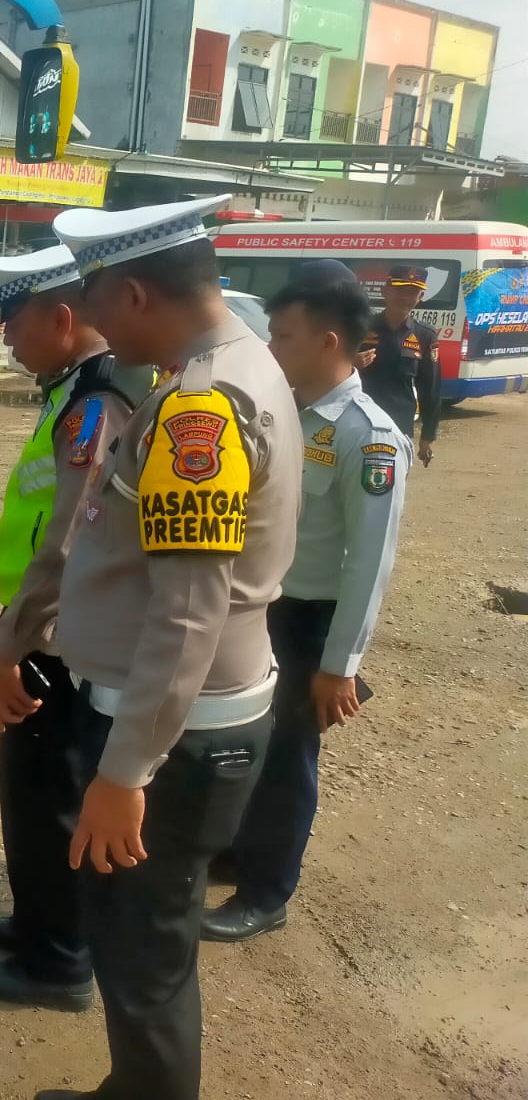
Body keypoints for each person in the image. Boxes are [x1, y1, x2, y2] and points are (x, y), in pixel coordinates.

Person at [32, 194, 303, 1100]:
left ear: (138, 295)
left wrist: (125, 772)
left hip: (177, 737)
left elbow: (190, 611)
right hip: (186, 720)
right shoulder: (230, 366)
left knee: (146, 951)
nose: (97, 326)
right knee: (142, 939)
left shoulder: (203, 407)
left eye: (100, 303)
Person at [0, 247, 152, 1012]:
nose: (5, 337)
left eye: (12, 323)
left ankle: (60, 959)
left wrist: (10, 641)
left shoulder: (95, 403)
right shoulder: (72, 391)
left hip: (59, 639)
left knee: (52, 801)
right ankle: (40, 920)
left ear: (62, 318)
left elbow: (68, 540)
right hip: (54, 628)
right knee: (32, 797)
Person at [203, 261, 410, 943]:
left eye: (284, 336)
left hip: (313, 621)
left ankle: (268, 892)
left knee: (290, 758)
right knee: (254, 743)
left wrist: (340, 663)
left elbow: (370, 563)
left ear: (328, 341)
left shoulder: (367, 435)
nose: (272, 349)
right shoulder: (286, 411)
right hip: (266, 609)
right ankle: (239, 850)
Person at [355, 262, 440, 467]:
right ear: (385, 291)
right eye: (399, 290)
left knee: (392, 485)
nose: (405, 298)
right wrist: (350, 363)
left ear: (420, 298)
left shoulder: (425, 336)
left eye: (413, 292)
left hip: (398, 427)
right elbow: (330, 368)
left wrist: (428, 435)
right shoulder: (359, 328)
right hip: (357, 422)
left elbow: (431, 387)